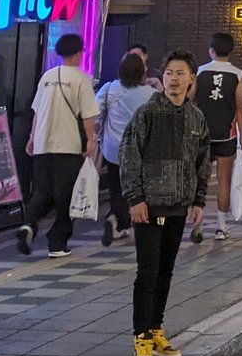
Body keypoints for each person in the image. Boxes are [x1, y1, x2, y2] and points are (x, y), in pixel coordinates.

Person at [118, 50, 210, 356]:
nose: (173, 78)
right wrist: (135, 199)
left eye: (180, 73)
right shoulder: (147, 113)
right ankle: (141, 337)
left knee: (165, 271)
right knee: (148, 271)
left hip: (178, 207)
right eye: (169, 73)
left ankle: (157, 329)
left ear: (191, 79)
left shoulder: (196, 117)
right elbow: (129, 154)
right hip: (149, 206)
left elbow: (202, 162)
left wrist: (198, 201)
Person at [19, 32, 97, 259]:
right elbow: (88, 116)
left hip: (43, 143)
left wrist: (32, 138)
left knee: (41, 191)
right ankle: (57, 243)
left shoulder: (47, 77)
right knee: (65, 196)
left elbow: (36, 111)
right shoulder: (82, 79)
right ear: (79, 52)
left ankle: (28, 224)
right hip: (68, 146)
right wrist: (91, 141)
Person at [93, 51, 154, 247]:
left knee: (116, 188)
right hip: (138, 150)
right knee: (135, 189)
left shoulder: (109, 88)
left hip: (112, 149)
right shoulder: (150, 94)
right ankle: (117, 220)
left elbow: (95, 114)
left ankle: (117, 220)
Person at [193, 32, 242, 241]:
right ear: (231, 51)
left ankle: (197, 225)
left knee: (199, 180)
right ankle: (221, 227)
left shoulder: (200, 72)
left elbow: (190, 100)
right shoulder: (237, 74)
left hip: (202, 135)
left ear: (211, 50)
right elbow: (240, 108)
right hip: (226, 134)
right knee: (224, 181)